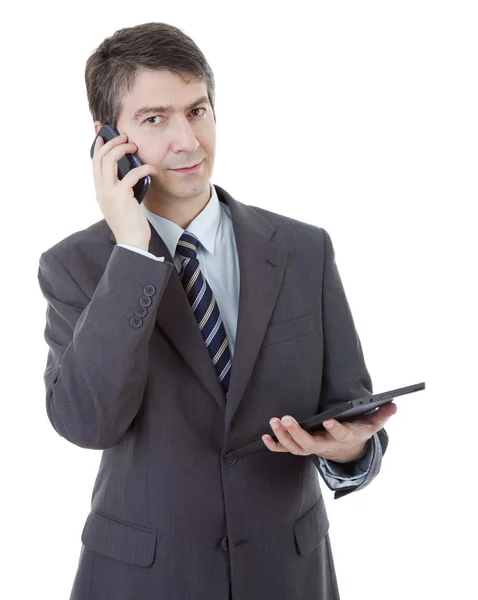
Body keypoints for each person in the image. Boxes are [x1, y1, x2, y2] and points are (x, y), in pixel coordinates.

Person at [37, 21, 397, 600]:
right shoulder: (75, 266)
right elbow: (87, 422)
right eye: (155, 119)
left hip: (288, 575)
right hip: (144, 581)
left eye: (197, 110)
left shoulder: (304, 250)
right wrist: (131, 250)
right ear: (106, 137)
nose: (188, 141)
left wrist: (350, 451)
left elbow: (351, 413)